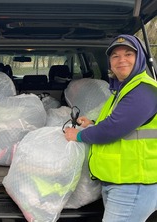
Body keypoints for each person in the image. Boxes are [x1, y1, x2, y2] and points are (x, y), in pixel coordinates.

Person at [64, 34, 157, 222]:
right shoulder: (124, 89)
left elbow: (113, 129)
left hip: (133, 185)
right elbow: (119, 123)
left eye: (128, 54)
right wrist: (92, 124)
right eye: (115, 56)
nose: (121, 60)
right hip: (120, 180)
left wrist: (78, 136)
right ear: (110, 63)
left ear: (139, 58)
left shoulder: (143, 90)